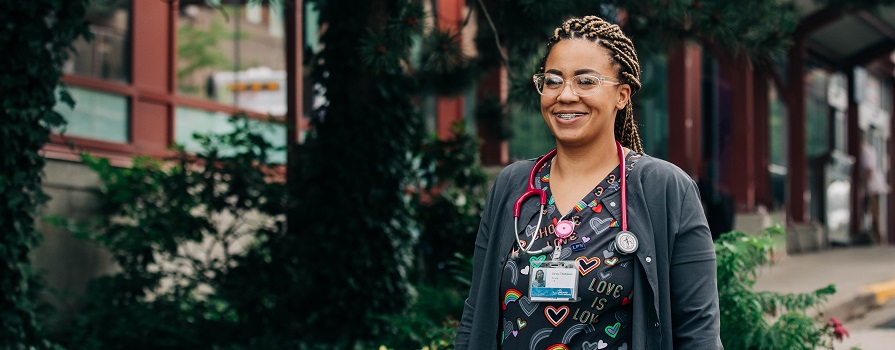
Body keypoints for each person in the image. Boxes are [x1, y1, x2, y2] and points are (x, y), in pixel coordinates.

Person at [454, 15, 722, 349]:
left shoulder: (664, 189)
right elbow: (475, 315)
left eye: (585, 81)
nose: (565, 95)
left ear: (622, 95)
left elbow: (698, 333)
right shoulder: (513, 185)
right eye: (552, 81)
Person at [862, 135, 887, 244]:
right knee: (873, 211)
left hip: (872, 187)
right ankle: (877, 237)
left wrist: (863, 185)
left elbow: (869, 170)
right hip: (874, 185)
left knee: (873, 211)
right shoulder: (870, 149)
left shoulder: (865, 151)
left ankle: (878, 238)